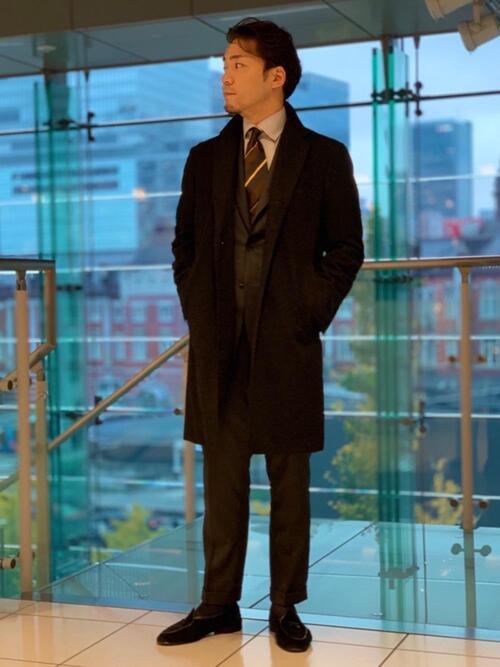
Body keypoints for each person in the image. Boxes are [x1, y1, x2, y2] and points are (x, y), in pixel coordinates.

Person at [157, 17, 364, 653]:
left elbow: (346, 248)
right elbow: (185, 246)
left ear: (276, 77)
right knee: (221, 485)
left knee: (288, 485)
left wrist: (308, 312)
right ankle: (217, 605)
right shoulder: (206, 158)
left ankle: (284, 607)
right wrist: (198, 311)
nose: (225, 75)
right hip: (219, 346)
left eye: (238, 64)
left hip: (286, 345)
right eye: (224, 64)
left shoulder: (324, 157)